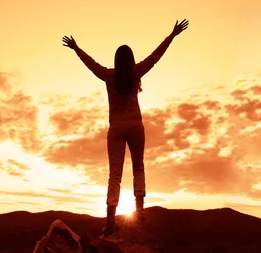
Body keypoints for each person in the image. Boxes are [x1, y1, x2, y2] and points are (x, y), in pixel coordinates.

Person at [62, 19, 189, 236]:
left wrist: (76, 48)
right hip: (136, 126)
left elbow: (91, 64)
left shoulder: (109, 75)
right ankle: (139, 212)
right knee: (138, 167)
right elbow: (155, 56)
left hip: (116, 128)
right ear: (130, 59)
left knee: (115, 175)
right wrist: (172, 35)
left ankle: (111, 219)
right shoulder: (136, 72)